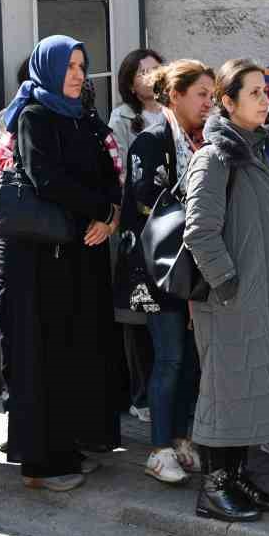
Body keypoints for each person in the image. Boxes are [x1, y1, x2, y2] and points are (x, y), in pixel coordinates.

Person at [0, 36, 122, 491]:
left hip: (80, 253)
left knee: (73, 353)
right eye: (69, 66)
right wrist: (98, 211)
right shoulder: (34, 117)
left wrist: (109, 215)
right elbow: (47, 178)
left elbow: (108, 174)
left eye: (82, 65)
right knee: (40, 358)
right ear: (48, 69)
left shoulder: (83, 116)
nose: (78, 74)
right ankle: (42, 463)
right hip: (38, 262)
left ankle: (70, 447)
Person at [184, 59, 269, 522]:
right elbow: (199, 231)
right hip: (229, 298)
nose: (264, 99)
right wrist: (227, 283)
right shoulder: (214, 157)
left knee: (251, 387)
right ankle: (213, 487)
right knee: (224, 387)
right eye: (253, 93)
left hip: (266, 291)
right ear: (227, 102)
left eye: (264, 91)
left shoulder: (265, 150)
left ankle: (234, 476)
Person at [121, 59, 214, 485]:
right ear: (175, 96)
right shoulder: (150, 141)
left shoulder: (202, 142)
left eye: (212, 96)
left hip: (194, 265)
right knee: (169, 356)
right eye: (201, 95)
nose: (208, 104)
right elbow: (147, 202)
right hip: (161, 266)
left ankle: (181, 437)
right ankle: (158, 448)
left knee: (191, 359)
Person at [109, 48, 163, 426]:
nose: (150, 76)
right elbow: (122, 175)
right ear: (130, 82)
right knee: (139, 314)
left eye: (155, 69)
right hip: (137, 227)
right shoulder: (123, 119)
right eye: (142, 72)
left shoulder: (176, 111)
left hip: (172, 227)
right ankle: (141, 393)